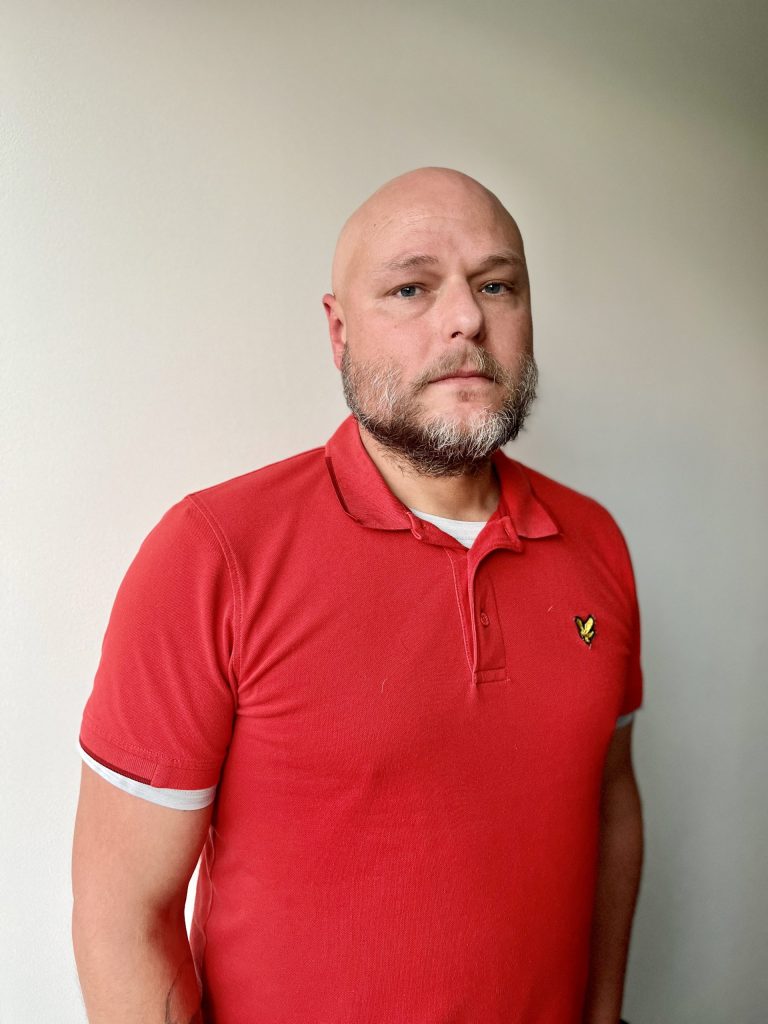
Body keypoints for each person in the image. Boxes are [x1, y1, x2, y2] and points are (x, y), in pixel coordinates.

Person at [72, 167, 644, 1024]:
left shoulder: (596, 543)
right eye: (412, 288)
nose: (466, 317)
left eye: (497, 285)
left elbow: (609, 804)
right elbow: (121, 915)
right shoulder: (215, 554)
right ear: (339, 332)